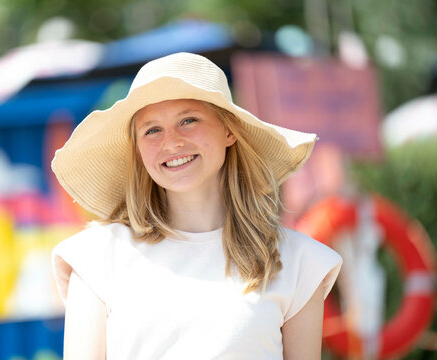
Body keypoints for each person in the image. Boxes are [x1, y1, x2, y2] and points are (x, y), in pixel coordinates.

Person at [51, 52, 342, 359]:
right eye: (152, 130)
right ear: (137, 150)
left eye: (189, 120)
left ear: (229, 130)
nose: (172, 143)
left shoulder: (299, 262)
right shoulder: (96, 258)